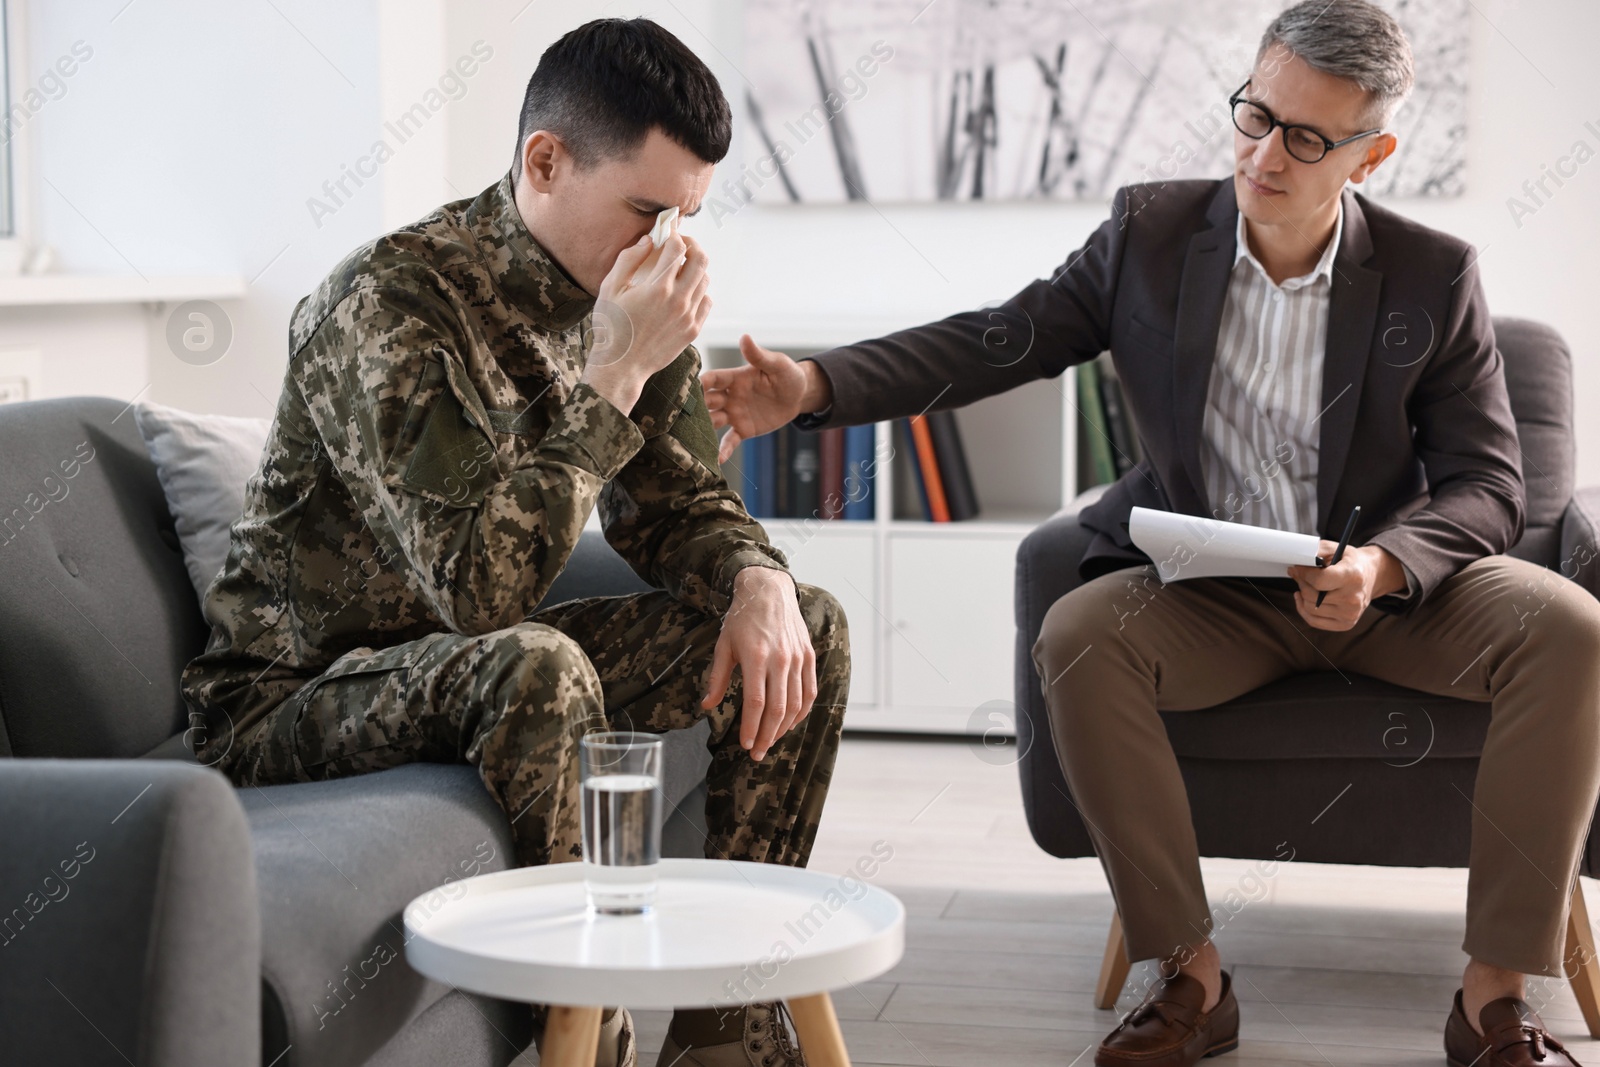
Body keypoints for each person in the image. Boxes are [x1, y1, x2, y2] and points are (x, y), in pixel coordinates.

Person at [702, 2, 1600, 1064]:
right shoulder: (1151, 234)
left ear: (1371, 154)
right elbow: (1004, 339)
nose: (1265, 153)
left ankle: (1495, 996)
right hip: (1212, 594)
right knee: (1079, 632)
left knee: (1570, 626)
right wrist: (813, 383)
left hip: (1385, 589)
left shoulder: (1430, 274)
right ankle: (1189, 976)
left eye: (1307, 138)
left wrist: (1383, 563)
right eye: (1255, 115)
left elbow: (1490, 484)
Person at [182, 18, 846, 1067]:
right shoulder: (390, 302)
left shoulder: (632, 299)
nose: (663, 249)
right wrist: (614, 375)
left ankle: (728, 1033)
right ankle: (595, 1040)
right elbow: (480, 595)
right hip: (293, 695)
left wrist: (756, 575)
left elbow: (675, 503)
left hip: (463, 666)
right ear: (545, 160)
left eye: (683, 219)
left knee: (802, 620)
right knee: (535, 663)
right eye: (643, 211)